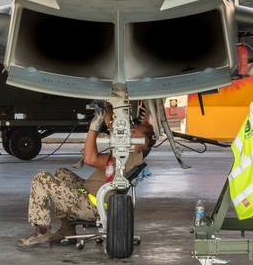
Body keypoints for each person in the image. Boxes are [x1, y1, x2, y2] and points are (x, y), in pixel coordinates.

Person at [18, 105, 155, 247]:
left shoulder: (125, 157)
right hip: (93, 197)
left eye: (134, 131)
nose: (129, 132)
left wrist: (93, 127)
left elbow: (90, 159)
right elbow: (113, 127)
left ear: (142, 142)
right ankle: (67, 230)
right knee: (62, 173)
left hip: (93, 206)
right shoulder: (130, 152)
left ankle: (42, 232)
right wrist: (106, 107)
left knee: (42, 179)